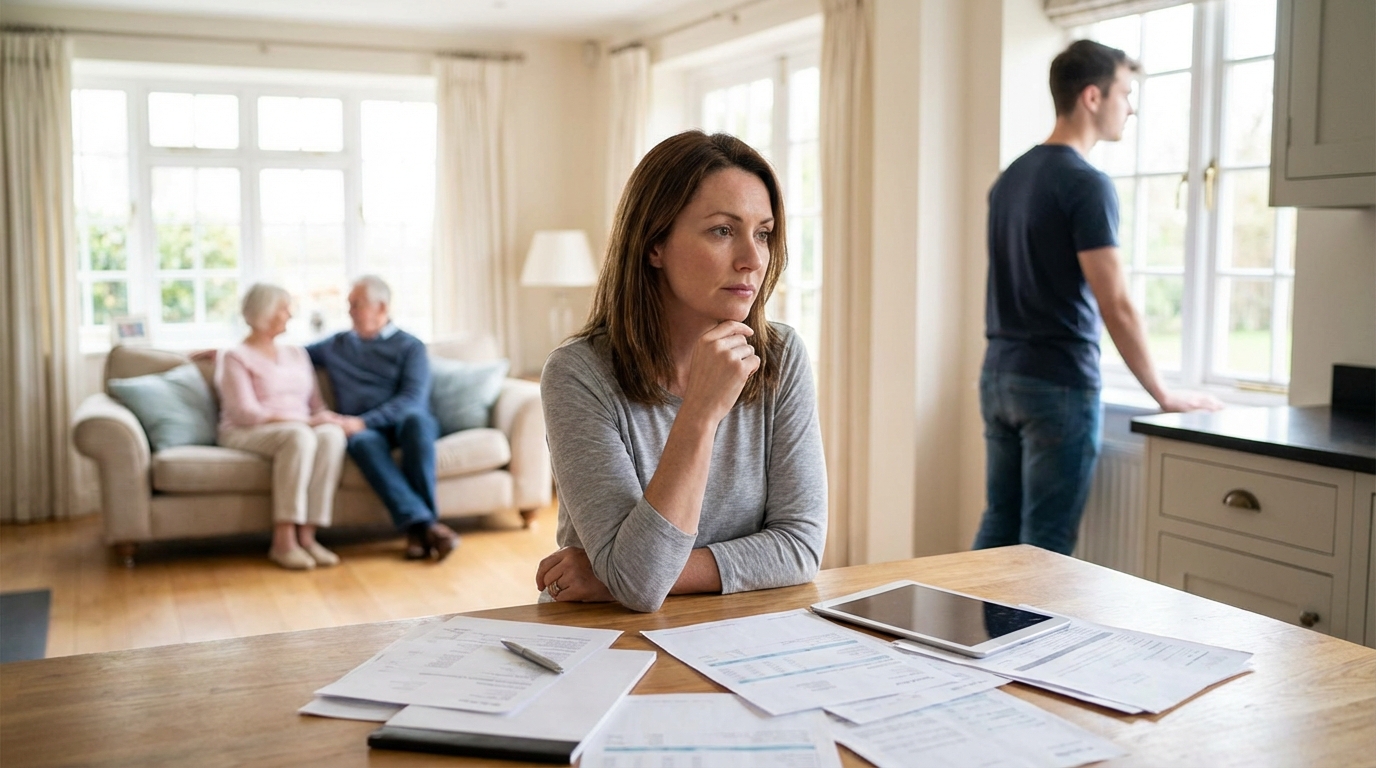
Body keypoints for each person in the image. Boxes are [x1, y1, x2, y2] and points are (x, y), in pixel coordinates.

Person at [534, 130, 827, 613]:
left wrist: (617, 575)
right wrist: (700, 414)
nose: (753, 259)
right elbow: (639, 584)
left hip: (735, 626)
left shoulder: (782, 356)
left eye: (763, 233)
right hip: (606, 636)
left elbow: (799, 548)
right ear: (655, 244)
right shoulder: (578, 374)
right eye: (722, 231)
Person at [975, 40, 1221, 556]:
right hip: (1057, 383)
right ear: (1092, 97)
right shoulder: (1086, 184)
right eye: (1125, 93)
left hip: (999, 374)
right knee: (1044, 545)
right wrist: (1163, 394)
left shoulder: (1009, 180)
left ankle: (962, 616)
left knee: (999, 528)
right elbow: (1117, 305)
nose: (1130, 108)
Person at [306, 275, 461, 561]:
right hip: (367, 432)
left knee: (416, 421)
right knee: (361, 442)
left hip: (404, 421)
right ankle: (428, 529)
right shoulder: (336, 345)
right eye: (349, 304)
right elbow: (289, 355)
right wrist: (232, 353)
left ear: (382, 307)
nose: (350, 311)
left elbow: (412, 398)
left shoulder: (411, 346)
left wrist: (364, 421)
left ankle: (418, 531)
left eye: (357, 304)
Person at [216, 283, 347, 570]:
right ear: (265, 313)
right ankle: (283, 541)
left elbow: (316, 405)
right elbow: (246, 413)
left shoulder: (297, 354)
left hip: (297, 427)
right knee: (299, 436)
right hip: (246, 431)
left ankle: (308, 536)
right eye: (284, 309)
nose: (290, 314)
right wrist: (307, 422)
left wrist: (332, 420)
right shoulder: (235, 356)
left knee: (330, 436)